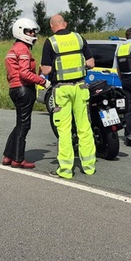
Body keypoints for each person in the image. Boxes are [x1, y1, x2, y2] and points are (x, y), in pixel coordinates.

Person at [40, 14, 96, 179]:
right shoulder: (79, 38)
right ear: (65, 24)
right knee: (84, 127)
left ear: (52, 27)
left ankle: (65, 170)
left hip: (62, 90)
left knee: (64, 129)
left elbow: (46, 71)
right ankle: (89, 167)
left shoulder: (51, 42)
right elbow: (91, 63)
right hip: (80, 87)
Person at [3, 18, 50, 169]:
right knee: (24, 125)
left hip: (14, 88)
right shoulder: (23, 49)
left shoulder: (13, 49)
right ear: (20, 31)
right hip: (24, 89)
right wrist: (43, 81)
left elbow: (13, 73)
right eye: (29, 31)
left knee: (20, 124)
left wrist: (38, 73)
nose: (33, 34)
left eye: (33, 31)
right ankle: (18, 159)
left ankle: (8, 156)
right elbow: (24, 73)